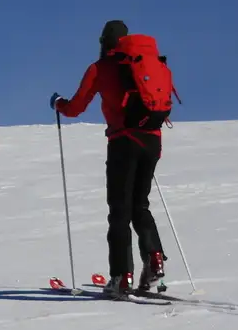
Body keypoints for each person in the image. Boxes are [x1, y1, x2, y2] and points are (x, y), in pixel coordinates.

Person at [50, 20, 169, 298]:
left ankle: (120, 277)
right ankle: (154, 261)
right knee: (140, 205)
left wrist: (58, 103)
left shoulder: (100, 68)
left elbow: (76, 107)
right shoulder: (146, 63)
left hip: (122, 142)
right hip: (152, 140)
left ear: (104, 42)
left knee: (119, 211)